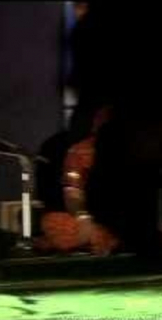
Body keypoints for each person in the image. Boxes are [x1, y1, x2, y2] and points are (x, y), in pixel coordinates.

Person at [38, 105, 120, 256]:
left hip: (126, 220)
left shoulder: (137, 148)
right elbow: (73, 193)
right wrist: (84, 218)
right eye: (99, 118)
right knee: (54, 222)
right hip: (91, 220)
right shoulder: (80, 150)